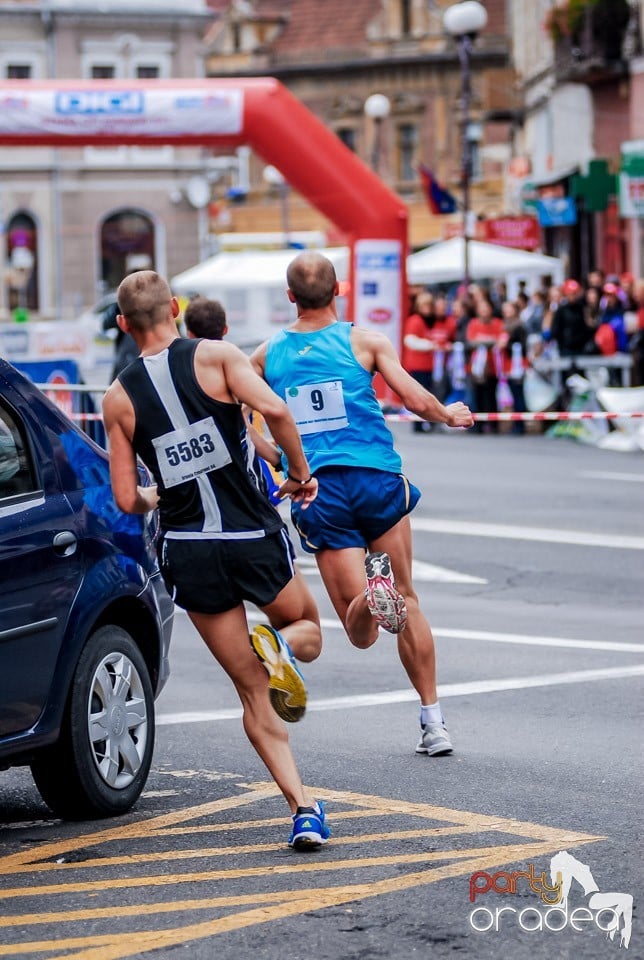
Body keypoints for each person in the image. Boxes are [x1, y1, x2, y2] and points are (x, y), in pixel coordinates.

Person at [102, 271, 330, 850]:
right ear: (175, 308)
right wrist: (300, 476)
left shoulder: (118, 398)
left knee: (252, 694)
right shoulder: (219, 357)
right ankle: (278, 646)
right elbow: (276, 413)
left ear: (124, 326)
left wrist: (157, 494)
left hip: (190, 551)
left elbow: (128, 499)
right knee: (306, 629)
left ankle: (303, 809)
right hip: (251, 533)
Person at [251, 252, 473, 757]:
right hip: (376, 479)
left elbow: (236, 414)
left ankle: (371, 597)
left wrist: (278, 461)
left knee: (361, 633)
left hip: (318, 491)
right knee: (407, 599)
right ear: (339, 292)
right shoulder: (365, 341)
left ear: (290, 298)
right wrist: (446, 414)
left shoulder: (265, 356)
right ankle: (433, 721)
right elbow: (412, 398)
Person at [402, 291, 456, 433]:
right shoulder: (415, 320)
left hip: (433, 366)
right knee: (419, 396)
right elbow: (410, 341)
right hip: (418, 365)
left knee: (432, 395)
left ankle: (429, 422)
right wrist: (431, 345)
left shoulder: (432, 322)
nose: (427, 308)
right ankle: (418, 424)